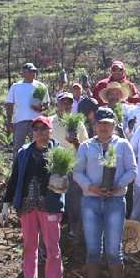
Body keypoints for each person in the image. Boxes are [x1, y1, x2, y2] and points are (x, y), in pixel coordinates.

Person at [73, 107, 137, 278]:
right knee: (93, 250)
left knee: (113, 250)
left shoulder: (122, 144)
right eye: (100, 124)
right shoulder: (85, 146)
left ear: (113, 125)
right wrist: (90, 187)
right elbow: (77, 172)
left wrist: (119, 185)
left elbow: (132, 170)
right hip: (91, 201)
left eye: (108, 124)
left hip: (115, 201)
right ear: (94, 126)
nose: (103, 127)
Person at [0, 116, 65, 278]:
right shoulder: (23, 153)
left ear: (50, 131)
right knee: (29, 246)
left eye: (44, 129)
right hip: (27, 206)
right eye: (36, 130)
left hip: (49, 206)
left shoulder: (58, 152)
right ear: (32, 133)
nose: (40, 133)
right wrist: (6, 204)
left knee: (52, 247)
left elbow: (65, 179)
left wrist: (61, 183)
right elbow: (14, 179)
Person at [51, 92, 90, 241]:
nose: (66, 106)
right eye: (63, 102)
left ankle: (75, 231)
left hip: (73, 168)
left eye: (69, 103)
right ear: (57, 105)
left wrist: (75, 143)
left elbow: (86, 148)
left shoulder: (78, 124)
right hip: (55, 168)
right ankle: (55, 233)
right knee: (55, 201)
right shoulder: (49, 123)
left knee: (74, 202)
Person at [6, 63, 50, 155]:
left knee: (37, 146)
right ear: (24, 73)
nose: (33, 73)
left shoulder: (41, 86)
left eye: (34, 71)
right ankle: (17, 168)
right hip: (19, 122)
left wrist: (40, 109)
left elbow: (47, 104)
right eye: (31, 71)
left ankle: (36, 168)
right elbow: (9, 104)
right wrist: (9, 121)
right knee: (18, 148)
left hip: (37, 123)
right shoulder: (15, 86)